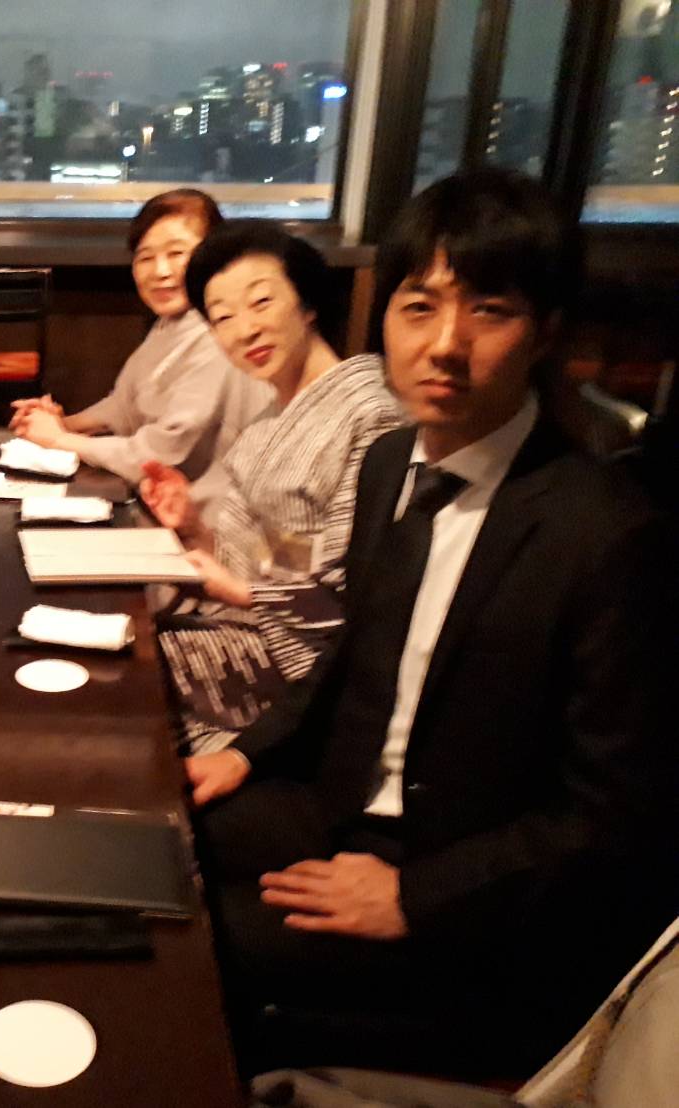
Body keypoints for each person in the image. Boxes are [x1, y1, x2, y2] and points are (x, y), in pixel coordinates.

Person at [185, 169, 676, 1077]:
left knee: (184, 946)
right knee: (153, 832)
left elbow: (614, 817)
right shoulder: (388, 463)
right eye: (419, 306)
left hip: (463, 878)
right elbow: (353, 647)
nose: (444, 344)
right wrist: (247, 752)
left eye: (488, 310)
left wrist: (418, 896)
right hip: (342, 805)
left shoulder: (606, 534)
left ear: (545, 332)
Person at [138, 222, 405, 753]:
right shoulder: (268, 423)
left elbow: (362, 579)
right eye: (223, 318)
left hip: (309, 669)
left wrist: (242, 593)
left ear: (307, 305)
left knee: (127, 674)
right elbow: (284, 553)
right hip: (249, 631)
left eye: (261, 302)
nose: (245, 330)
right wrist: (195, 528)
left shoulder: (372, 413)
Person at [10, 189, 272, 485]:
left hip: (216, 507)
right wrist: (64, 424)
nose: (160, 271)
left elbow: (163, 454)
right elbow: (127, 404)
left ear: (215, 256)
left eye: (176, 254)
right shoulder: (172, 323)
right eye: (146, 257)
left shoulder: (220, 335)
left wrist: (60, 439)